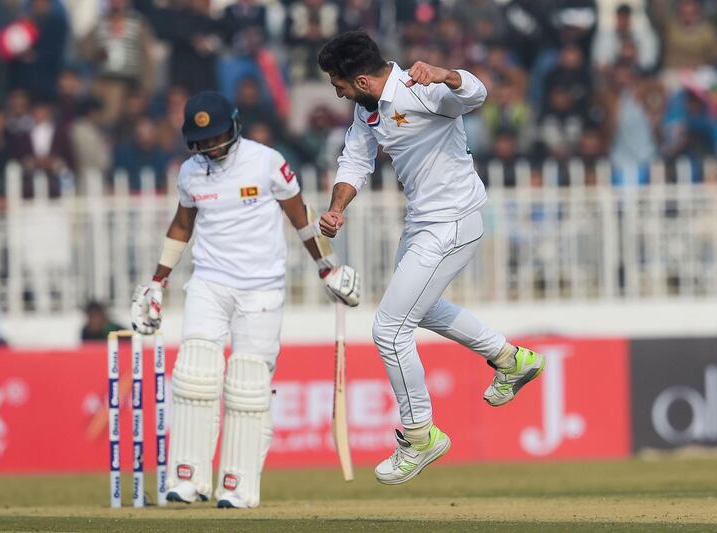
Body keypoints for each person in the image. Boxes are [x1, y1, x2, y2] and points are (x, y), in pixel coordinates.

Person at [316, 31, 545, 485]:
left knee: (389, 328)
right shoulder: (367, 111)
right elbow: (355, 163)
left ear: (360, 79)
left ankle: (420, 435)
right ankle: (510, 359)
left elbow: (476, 94)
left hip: (454, 221)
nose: (335, 90)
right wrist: (338, 207)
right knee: (422, 311)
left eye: (337, 82)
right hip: (422, 222)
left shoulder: (422, 88)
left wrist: (446, 73)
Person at [130, 91, 360, 508]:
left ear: (234, 127)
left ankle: (238, 486)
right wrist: (157, 282)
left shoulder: (266, 161)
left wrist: (328, 267)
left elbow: (300, 218)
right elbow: (182, 225)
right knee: (195, 374)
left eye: (217, 137)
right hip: (209, 283)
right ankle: (188, 479)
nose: (211, 148)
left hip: (261, 288)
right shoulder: (190, 173)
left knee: (248, 385)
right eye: (202, 141)